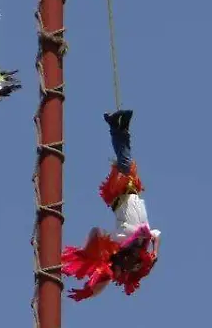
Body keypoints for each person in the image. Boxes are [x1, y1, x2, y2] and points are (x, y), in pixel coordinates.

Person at [61, 110, 161, 301]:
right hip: (132, 191)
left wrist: (90, 289)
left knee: (124, 164)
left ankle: (116, 127)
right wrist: (155, 253)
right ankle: (119, 127)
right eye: (136, 264)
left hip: (118, 194)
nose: (133, 263)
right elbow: (157, 234)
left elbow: (105, 272)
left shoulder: (119, 241)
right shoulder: (142, 242)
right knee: (127, 162)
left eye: (129, 266)